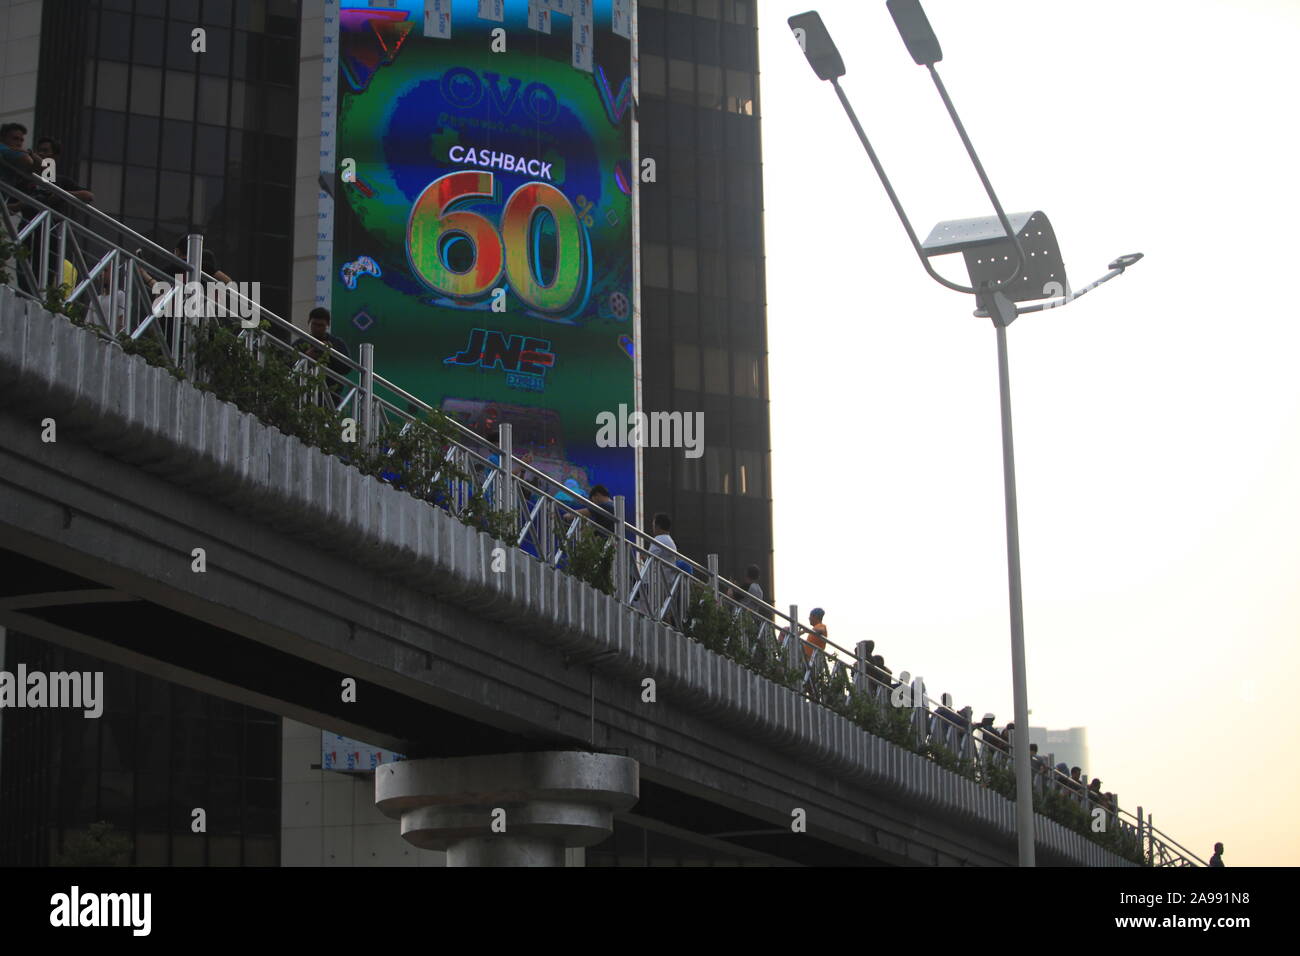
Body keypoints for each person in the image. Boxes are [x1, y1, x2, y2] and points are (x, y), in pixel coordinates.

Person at [300, 306, 351, 407]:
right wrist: (305, 357)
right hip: (304, 395)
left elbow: (346, 368)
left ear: (327, 325)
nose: (317, 328)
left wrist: (330, 354)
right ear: (309, 322)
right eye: (314, 324)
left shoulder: (337, 343)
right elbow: (288, 365)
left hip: (331, 397)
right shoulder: (301, 344)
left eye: (321, 325)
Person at [32, 136, 94, 204]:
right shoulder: (28, 175)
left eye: (45, 151)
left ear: (55, 156)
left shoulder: (62, 181)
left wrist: (60, 194)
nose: (40, 153)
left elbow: (89, 196)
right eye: (39, 150)